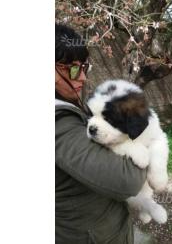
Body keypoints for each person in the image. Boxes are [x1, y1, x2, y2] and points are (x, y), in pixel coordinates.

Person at [55, 23, 146, 244]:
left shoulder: (67, 104)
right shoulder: (58, 123)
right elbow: (129, 179)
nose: (83, 78)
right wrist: (145, 146)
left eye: (84, 67)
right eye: (73, 69)